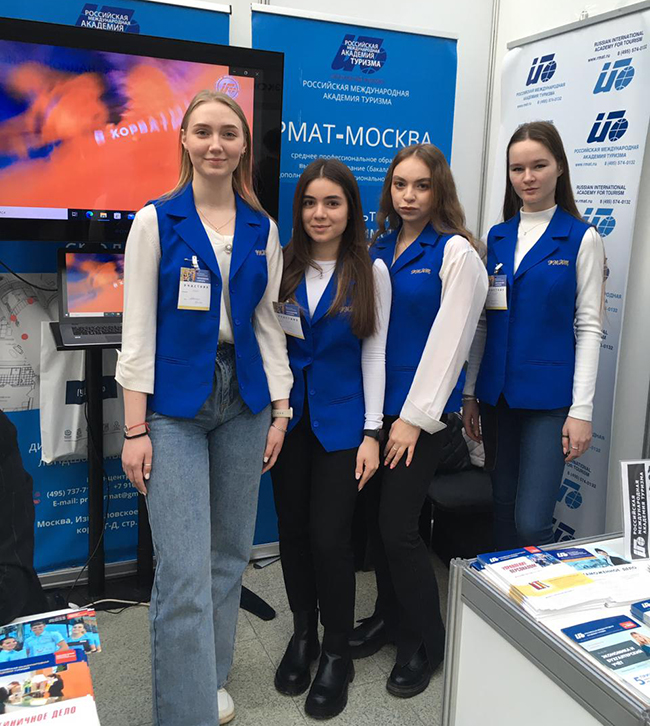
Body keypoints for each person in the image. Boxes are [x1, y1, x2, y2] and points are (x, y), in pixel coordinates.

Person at [116, 89, 293, 726]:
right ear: (185, 141)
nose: (216, 144)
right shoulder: (154, 221)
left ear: (244, 146)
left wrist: (280, 410)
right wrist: (134, 428)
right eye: (203, 132)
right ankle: (183, 711)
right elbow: (136, 331)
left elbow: (268, 324)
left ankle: (209, 678)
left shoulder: (262, 228)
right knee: (184, 570)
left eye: (228, 133)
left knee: (228, 557)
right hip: (174, 408)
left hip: (244, 400)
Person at [352, 144, 488, 697]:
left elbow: (450, 344)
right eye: (400, 185)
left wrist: (412, 419)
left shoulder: (456, 252)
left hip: (421, 418)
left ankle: (426, 642)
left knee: (399, 529)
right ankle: (388, 618)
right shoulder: (380, 247)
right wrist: (374, 421)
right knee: (377, 527)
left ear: (440, 191)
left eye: (422, 186)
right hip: (378, 412)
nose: (409, 196)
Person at [270, 158, 390, 719]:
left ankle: (337, 651)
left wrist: (372, 432)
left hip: (344, 428)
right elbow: (271, 343)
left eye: (332, 203)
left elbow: (375, 353)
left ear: (350, 209)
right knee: (292, 532)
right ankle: (304, 635)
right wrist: (274, 413)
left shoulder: (370, 270)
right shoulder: (282, 265)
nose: (320, 213)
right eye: (310, 203)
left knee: (330, 539)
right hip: (289, 423)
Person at [462, 121, 605, 551]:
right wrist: (470, 393)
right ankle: (504, 591)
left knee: (531, 522)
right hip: (498, 397)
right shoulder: (497, 237)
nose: (527, 177)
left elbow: (589, 327)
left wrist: (581, 411)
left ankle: (544, 590)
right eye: (517, 169)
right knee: (502, 508)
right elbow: (484, 322)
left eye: (538, 166)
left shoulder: (581, 238)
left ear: (559, 167)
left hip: (549, 401)